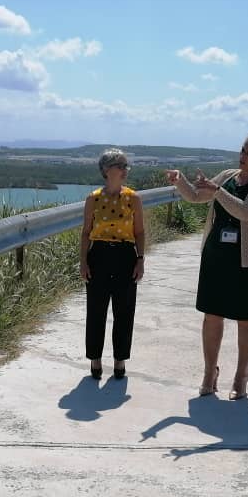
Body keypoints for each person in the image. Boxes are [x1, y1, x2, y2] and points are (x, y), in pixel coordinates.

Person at [165, 133, 248, 400]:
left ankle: (241, 375)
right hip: (216, 254)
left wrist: (217, 191)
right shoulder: (228, 176)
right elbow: (195, 197)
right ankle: (209, 372)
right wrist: (180, 181)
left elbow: (246, 211)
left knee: (245, 319)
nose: (243, 156)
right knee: (212, 315)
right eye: (242, 150)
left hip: (247, 260)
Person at [80, 148, 145, 380]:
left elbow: (139, 232)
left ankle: (120, 359)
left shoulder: (133, 198)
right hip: (98, 254)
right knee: (96, 309)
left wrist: (140, 259)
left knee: (124, 310)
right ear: (108, 170)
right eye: (122, 165)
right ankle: (95, 359)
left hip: (126, 255)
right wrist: (83, 261)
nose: (126, 170)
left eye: (126, 166)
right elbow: (86, 232)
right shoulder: (93, 198)